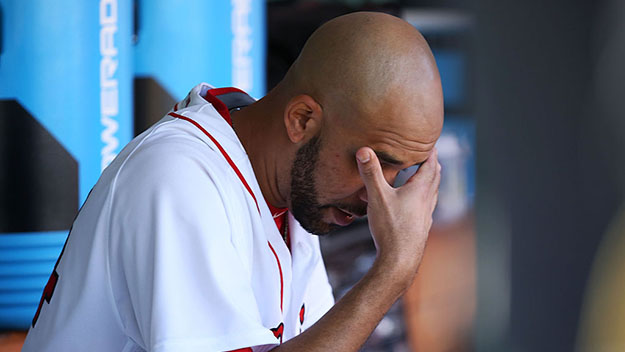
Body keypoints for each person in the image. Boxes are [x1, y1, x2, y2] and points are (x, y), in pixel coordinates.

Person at [23, 11, 443, 351]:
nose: (378, 196)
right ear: (302, 120)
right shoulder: (179, 176)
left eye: (397, 173)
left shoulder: (293, 190)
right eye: (369, 163)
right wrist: (392, 270)